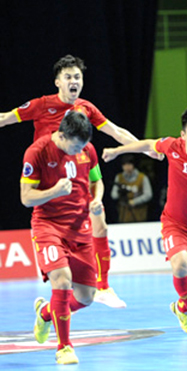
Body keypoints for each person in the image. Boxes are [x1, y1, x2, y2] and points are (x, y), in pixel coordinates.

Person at [0, 55, 150, 308]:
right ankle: (59, 301)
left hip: (81, 171)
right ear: (57, 81)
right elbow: (4, 118)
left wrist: (145, 148)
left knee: (100, 224)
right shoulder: (41, 105)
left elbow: (115, 131)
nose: (74, 81)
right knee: (65, 272)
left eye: (77, 77)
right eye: (68, 77)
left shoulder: (86, 108)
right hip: (51, 179)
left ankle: (103, 286)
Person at [102, 107, 187, 337]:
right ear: (183, 134)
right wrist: (118, 151)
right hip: (174, 223)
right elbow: (146, 145)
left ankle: (181, 307)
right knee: (179, 266)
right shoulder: (172, 146)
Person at [25, 111, 101, 364]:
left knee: (86, 297)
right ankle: (64, 347)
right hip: (48, 226)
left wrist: (97, 198)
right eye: (76, 145)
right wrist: (54, 190)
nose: (80, 149)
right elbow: (26, 198)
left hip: (80, 229)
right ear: (62, 134)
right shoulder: (37, 152)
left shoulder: (87, 149)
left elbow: (96, 180)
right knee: (62, 280)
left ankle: (46, 313)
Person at [110, 155, 153, 222]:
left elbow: (148, 195)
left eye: (129, 164)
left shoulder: (142, 177)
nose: (127, 167)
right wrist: (121, 192)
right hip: (124, 213)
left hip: (139, 213)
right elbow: (114, 195)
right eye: (124, 165)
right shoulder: (119, 177)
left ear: (133, 165)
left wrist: (134, 202)